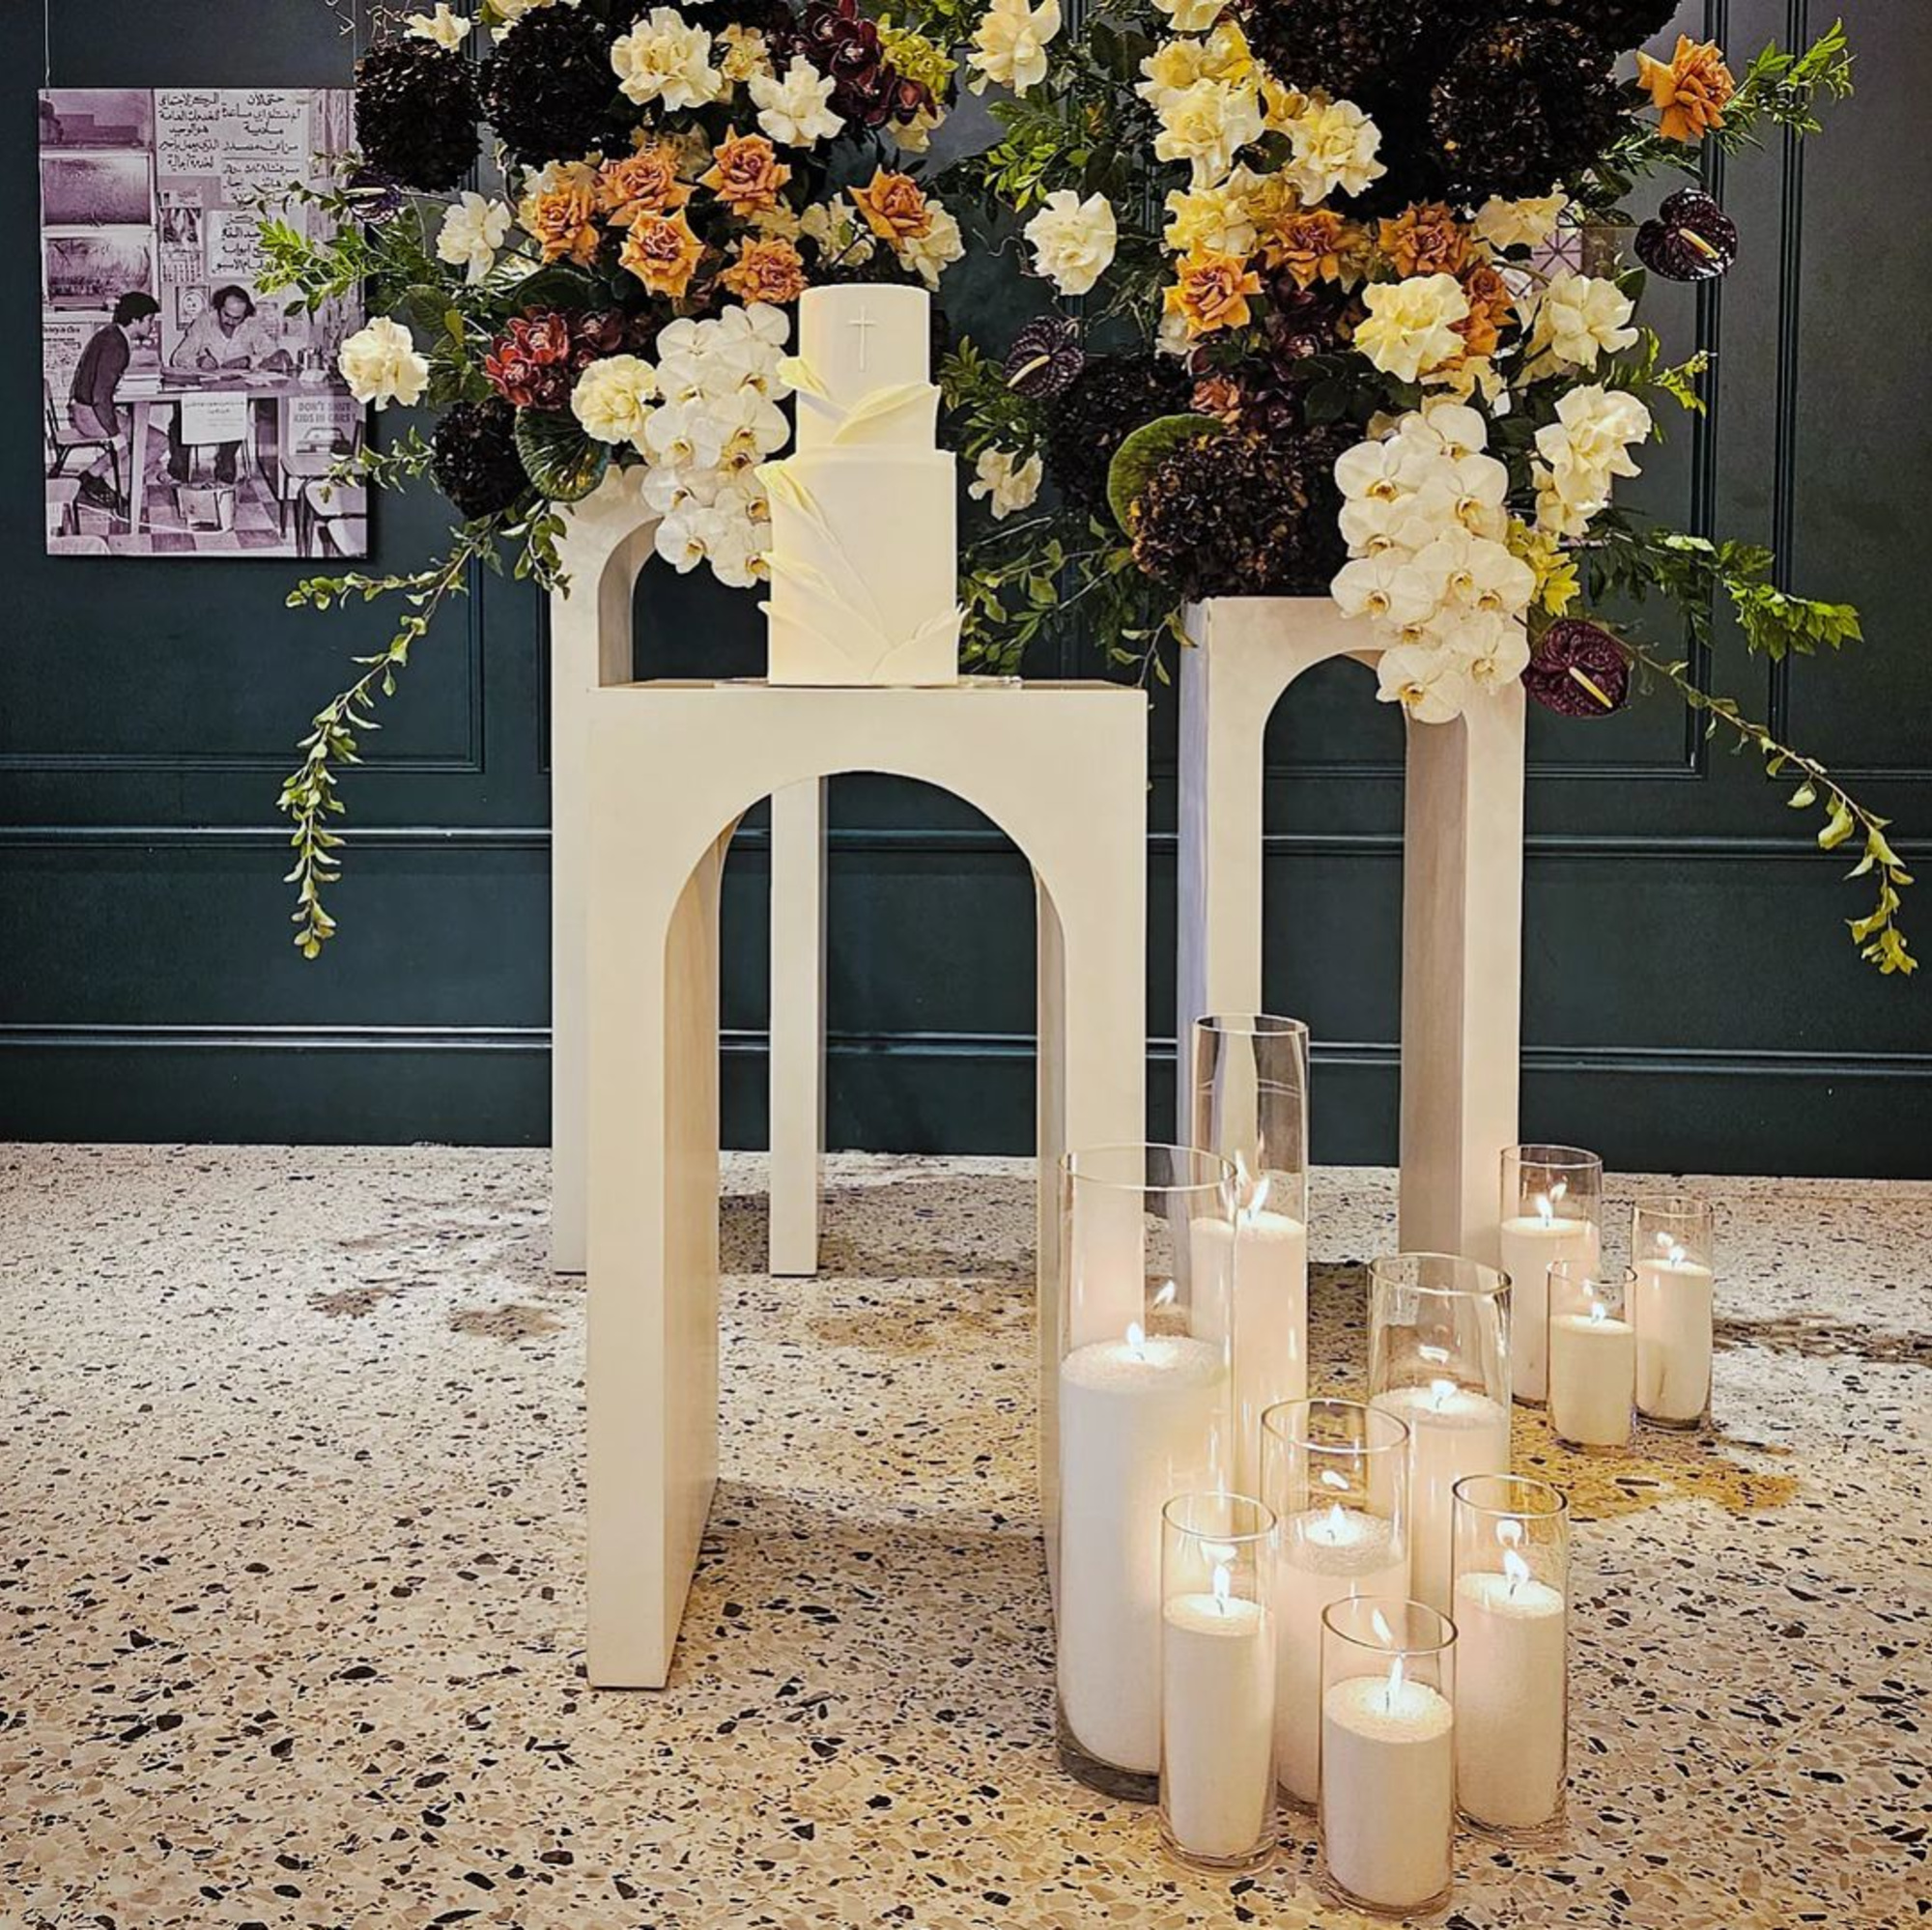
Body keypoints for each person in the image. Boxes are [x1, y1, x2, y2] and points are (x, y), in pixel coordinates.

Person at [165, 285, 293, 484]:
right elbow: (179, 357)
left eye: (237, 318)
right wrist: (199, 361)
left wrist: (249, 360)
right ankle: (178, 470)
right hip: (203, 392)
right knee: (181, 419)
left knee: (234, 413)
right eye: (227, 316)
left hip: (235, 394)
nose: (231, 322)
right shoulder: (204, 322)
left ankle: (226, 464)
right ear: (219, 308)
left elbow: (273, 354)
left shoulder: (252, 325)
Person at [68, 291, 159, 515]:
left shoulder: (111, 334)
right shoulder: (116, 344)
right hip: (91, 414)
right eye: (149, 320)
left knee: (143, 438)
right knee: (158, 442)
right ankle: (111, 486)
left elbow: (101, 387)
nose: (152, 326)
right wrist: (114, 434)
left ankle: (92, 475)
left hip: (86, 409)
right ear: (135, 320)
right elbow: (100, 396)